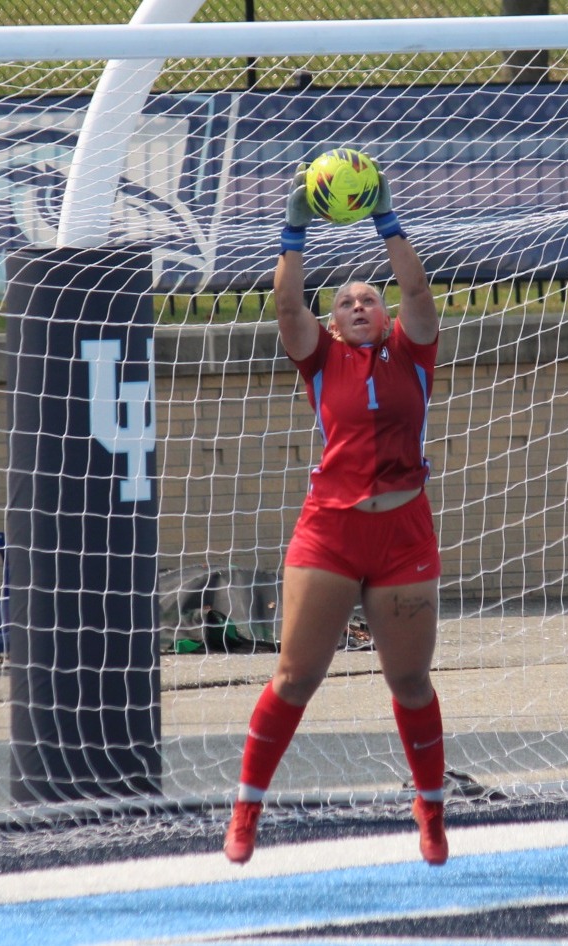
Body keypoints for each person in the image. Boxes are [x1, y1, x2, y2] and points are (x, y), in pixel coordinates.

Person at [223, 161, 447, 866]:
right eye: (345, 300)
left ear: (384, 318)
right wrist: (293, 228)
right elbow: (286, 308)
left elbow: (415, 287)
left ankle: (431, 810)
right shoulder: (319, 359)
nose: (358, 304)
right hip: (330, 528)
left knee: (409, 680)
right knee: (296, 674)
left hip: (403, 528)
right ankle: (246, 809)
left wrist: (387, 217)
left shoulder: (412, 353)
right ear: (331, 320)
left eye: (368, 299)